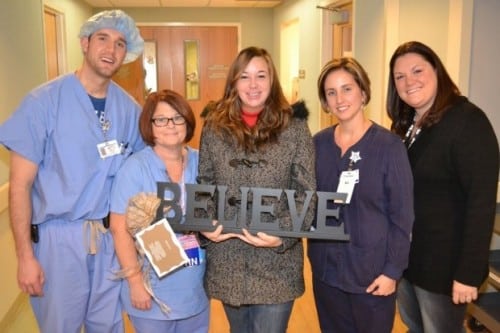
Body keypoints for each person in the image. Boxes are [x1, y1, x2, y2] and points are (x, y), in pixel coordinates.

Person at [0, 10, 144, 333]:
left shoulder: (129, 111)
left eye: (120, 44)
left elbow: (145, 172)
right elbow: (20, 186)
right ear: (84, 43)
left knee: (108, 328)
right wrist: (25, 257)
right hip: (58, 242)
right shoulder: (43, 103)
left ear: (127, 53)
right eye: (103, 39)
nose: (111, 50)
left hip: (109, 241)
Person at [197, 46, 316, 333]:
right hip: (228, 256)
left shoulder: (295, 128)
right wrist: (205, 223)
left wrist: (281, 237)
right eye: (244, 77)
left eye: (261, 76)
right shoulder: (214, 127)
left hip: (276, 263)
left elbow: (306, 194)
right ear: (233, 83)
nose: (253, 85)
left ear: (272, 81)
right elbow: (205, 183)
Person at [386, 40, 500, 333]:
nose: (409, 81)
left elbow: (481, 203)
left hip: (445, 269)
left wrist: (468, 273)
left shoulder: (467, 122)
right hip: (409, 262)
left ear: (437, 70)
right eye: (400, 76)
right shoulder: (406, 124)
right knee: (415, 327)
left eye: (417, 70)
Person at [307, 57, 414, 333]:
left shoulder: (389, 147)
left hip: (372, 276)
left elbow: (403, 218)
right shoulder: (317, 145)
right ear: (325, 101)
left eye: (347, 89)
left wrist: (393, 271)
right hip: (326, 273)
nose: (339, 98)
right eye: (331, 92)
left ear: (363, 93)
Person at [109, 89, 209, 333]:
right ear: (149, 125)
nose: (171, 125)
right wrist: (134, 282)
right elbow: (119, 229)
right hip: (152, 291)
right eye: (161, 119)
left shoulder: (202, 162)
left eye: (178, 118)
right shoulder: (134, 169)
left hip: (195, 289)